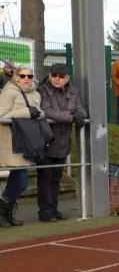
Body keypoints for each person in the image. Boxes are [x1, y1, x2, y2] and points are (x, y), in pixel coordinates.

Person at [36, 63, 88, 221]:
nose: (57, 79)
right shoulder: (42, 90)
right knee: (45, 179)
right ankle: (45, 211)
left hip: (63, 142)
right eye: (54, 75)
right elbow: (47, 111)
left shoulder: (73, 91)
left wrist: (81, 114)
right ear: (49, 75)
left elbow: (80, 107)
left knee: (56, 179)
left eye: (61, 76)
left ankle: (54, 208)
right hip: (45, 141)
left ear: (67, 78)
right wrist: (72, 117)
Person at [0, 64, 45, 227]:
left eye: (30, 76)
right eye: (23, 76)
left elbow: (39, 111)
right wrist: (26, 112)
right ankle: (3, 211)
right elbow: (2, 115)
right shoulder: (9, 92)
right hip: (12, 141)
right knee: (21, 181)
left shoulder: (35, 93)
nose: (26, 79)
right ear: (16, 76)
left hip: (27, 141)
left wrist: (38, 114)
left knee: (19, 181)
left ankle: (6, 212)